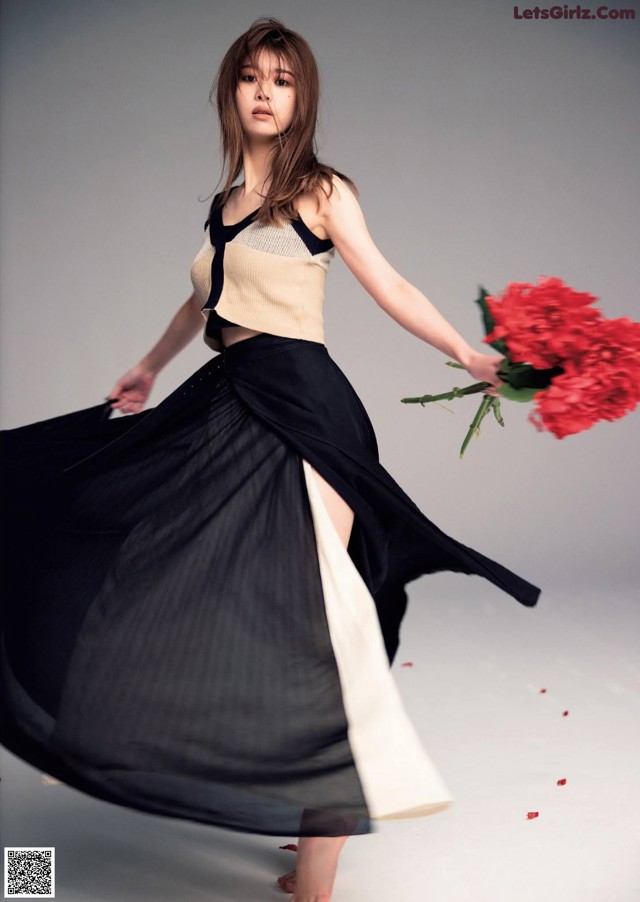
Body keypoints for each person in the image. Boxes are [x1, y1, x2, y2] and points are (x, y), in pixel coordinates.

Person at [0, 18, 540, 902]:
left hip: (304, 406)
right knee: (179, 573)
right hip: (229, 396)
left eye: (282, 80)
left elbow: (389, 282)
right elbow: (201, 301)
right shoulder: (219, 207)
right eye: (249, 77)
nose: (263, 91)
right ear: (227, 92)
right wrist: (148, 364)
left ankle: (321, 853)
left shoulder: (322, 193)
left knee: (319, 613)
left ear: (302, 98)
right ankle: (304, 818)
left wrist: (468, 354)